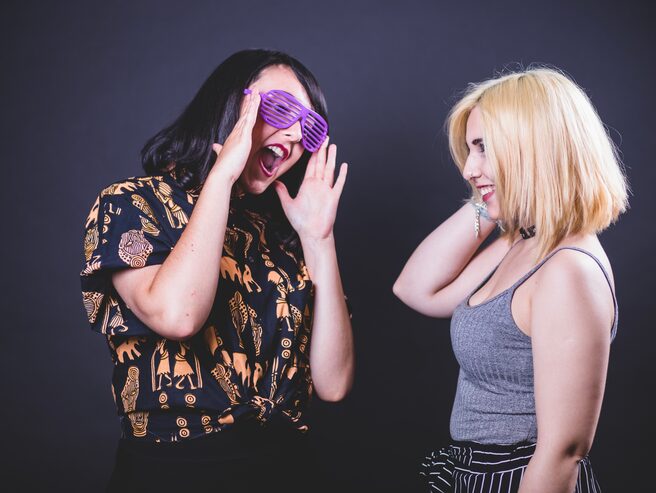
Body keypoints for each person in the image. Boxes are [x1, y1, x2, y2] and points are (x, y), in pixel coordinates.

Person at [80, 49, 354, 492]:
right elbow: (178, 316)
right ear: (229, 104)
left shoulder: (281, 237)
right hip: (175, 473)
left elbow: (334, 383)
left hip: (290, 470)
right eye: (280, 109)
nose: (293, 134)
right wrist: (222, 175)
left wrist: (319, 239)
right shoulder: (132, 204)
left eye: (310, 127)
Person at [393, 67, 628, 492]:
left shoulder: (568, 270)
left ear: (535, 147)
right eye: (470, 150)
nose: (468, 169)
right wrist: (493, 196)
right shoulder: (525, 240)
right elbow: (416, 289)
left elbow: (562, 453)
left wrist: (507, 184)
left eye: (484, 148)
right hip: (477, 472)